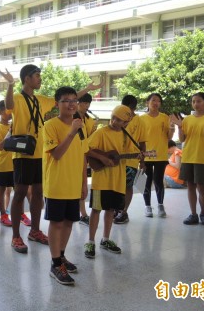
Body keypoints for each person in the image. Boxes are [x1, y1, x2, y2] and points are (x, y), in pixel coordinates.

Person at [0, 65, 97, 253]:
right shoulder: (18, 98)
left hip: (40, 153)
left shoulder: (41, 100)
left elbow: (67, 98)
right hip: (23, 153)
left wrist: (87, 89)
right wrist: (11, 84)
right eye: (37, 76)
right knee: (19, 193)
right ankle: (16, 236)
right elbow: (9, 104)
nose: (40, 79)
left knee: (37, 192)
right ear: (27, 79)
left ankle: (35, 230)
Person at [43, 87, 89, 285]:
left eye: (74, 100)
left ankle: (61, 257)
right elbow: (57, 154)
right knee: (57, 223)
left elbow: (83, 155)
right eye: (66, 100)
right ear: (57, 104)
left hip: (74, 182)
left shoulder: (81, 126)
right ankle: (54, 264)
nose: (71, 104)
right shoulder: (50, 126)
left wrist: (83, 183)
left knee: (70, 222)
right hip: (56, 183)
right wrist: (71, 132)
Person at [84, 105, 133, 259]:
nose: (114, 121)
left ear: (126, 123)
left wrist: (140, 156)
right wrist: (103, 158)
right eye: (113, 117)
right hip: (101, 180)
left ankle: (105, 239)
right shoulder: (101, 132)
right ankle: (90, 241)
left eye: (119, 120)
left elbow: (130, 153)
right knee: (96, 210)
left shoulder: (127, 135)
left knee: (110, 210)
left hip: (117, 180)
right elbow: (86, 148)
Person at [171, 92, 204, 226]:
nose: (196, 104)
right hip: (188, 156)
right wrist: (179, 126)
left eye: (199, 101)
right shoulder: (187, 119)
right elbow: (182, 139)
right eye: (193, 101)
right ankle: (193, 214)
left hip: (202, 157)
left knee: (202, 187)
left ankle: (203, 214)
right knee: (190, 186)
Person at [113, 95, 146, 224]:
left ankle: (124, 212)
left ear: (135, 108)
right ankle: (116, 208)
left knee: (127, 186)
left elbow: (142, 142)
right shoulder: (117, 117)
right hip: (116, 159)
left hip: (131, 159)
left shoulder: (139, 121)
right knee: (116, 186)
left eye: (130, 109)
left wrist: (142, 161)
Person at [140, 93, 174, 217]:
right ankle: (148, 206)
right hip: (146, 155)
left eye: (158, 101)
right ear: (147, 103)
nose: (155, 103)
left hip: (160, 155)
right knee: (147, 181)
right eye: (153, 100)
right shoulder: (141, 118)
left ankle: (160, 205)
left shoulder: (165, 117)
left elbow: (169, 137)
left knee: (159, 181)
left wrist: (172, 128)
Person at [0, 100, 16, 227]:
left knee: (19, 191)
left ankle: (19, 214)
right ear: (1, 112)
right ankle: (3, 215)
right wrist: (10, 132)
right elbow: (0, 147)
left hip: (16, 163)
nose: (10, 112)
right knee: (1, 190)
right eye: (7, 110)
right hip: (1, 165)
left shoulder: (15, 124)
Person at [76, 93, 97, 226]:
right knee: (79, 183)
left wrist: (94, 132)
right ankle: (82, 213)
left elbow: (88, 139)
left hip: (85, 152)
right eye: (84, 103)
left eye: (88, 103)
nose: (86, 106)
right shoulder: (72, 118)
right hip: (74, 153)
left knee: (82, 183)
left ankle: (82, 213)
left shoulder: (89, 120)